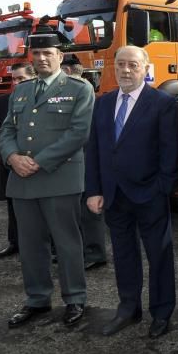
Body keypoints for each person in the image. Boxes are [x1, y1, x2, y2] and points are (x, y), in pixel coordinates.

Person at [0, 26, 94, 328]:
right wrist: (12, 157)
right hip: (23, 181)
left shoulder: (79, 88)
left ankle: (75, 298)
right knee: (30, 245)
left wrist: (37, 162)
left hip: (59, 177)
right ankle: (37, 299)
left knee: (66, 243)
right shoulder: (22, 90)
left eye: (47, 53)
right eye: (36, 53)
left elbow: (79, 133)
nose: (41, 58)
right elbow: (7, 131)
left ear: (59, 56)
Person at [85, 46, 178, 338]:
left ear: (145, 68)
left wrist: (162, 188)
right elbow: (95, 150)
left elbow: (170, 152)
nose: (126, 70)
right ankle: (128, 308)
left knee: (159, 256)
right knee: (124, 256)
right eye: (121, 64)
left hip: (150, 194)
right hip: (114, 196)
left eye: (133, 65)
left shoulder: (162, 103)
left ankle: (161, 314)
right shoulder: (103, 103)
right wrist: (93, 190)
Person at [62, 53, 108, 270]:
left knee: (88, 208)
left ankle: (94, 252)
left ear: (68, 70)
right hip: (74, 155)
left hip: (83, 154)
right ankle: (86, 251)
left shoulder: (80, 89)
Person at [0, 62, 36, 259]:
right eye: (14, 79)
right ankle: (14, 242)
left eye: (21, 78)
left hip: (35, 163)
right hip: (11, 162)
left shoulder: (41, 99)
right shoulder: (4, 100)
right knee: (13, 205)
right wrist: (9, 154)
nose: (16, 83)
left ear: (34, 78)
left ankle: (48, 245)